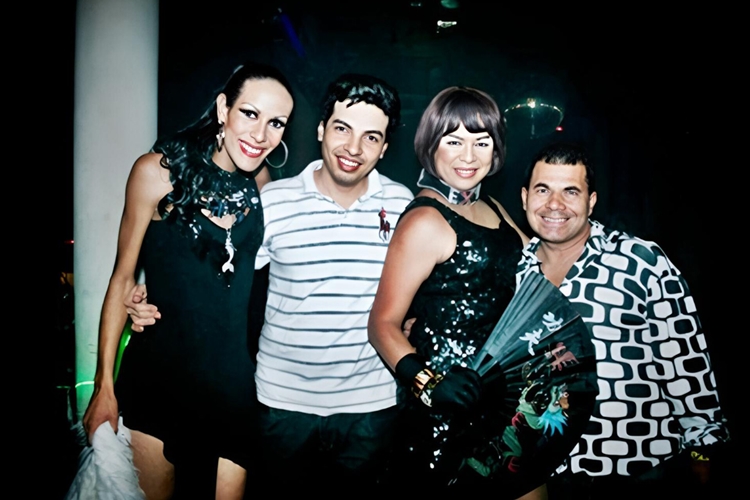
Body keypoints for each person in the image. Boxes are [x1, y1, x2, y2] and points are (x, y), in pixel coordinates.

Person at [128, 74, 414, 489]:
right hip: (280, 405)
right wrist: (149, 290)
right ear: (321, 130)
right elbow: (214, 269)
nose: (353, 148)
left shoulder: (402, 205)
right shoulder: (273, 200)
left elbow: (423, 280)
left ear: (385, 148)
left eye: (371, 137)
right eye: (342, 129)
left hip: (370, 409)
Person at [82, 61, 294, 499]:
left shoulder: (262, 183)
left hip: (233, 386)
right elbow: (123, 277)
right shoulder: (156, 173)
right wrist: (104, 386)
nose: (261, 134)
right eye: (250, 114)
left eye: (276, 123)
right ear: (223, 108)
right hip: (160, 379)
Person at [516, 142, 729, 498]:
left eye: (571, 191)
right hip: (545, 474)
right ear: (525, 198)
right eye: (543, 190)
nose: (555, 204)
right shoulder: (514, 273)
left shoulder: (640, 262)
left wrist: (703, 448)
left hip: (638, 470)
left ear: (591, 201)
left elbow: (685, 361)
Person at [367, 86, 552, 498]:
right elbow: (381, 324)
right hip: (447, 411)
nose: (468, 156)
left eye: (481, 142)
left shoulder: (495, 208)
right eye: (453, 141)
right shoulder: (425, 220)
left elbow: (535, 275)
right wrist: (429, 384)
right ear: (431, 144)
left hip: (503, 399)